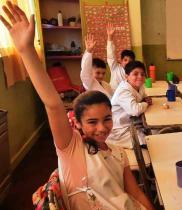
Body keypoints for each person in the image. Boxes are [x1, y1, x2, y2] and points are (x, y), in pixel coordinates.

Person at [0, 2, 154, 209]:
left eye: (107, 118)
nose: (102, 127)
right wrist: (26, 50)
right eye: (92, 121)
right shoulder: (70, 148)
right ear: (78, 124)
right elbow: (53, 104)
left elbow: (135, 193)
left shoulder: (118, 153)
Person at [107, 61, 152, 149]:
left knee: (153, 133)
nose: (140, 77)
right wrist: (146, 103)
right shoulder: (124, 90)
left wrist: (145, 99)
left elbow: (142, 96)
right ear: (126, 76)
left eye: (142, 74)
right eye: (135, 74)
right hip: (119, 129)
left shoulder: (139, 86)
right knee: (147, 142)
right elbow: (135, 110)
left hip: (132, 123)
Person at [81, 34, 113, 99]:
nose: (101, 76)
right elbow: (85, 69)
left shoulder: (106, 85)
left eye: (103, 73)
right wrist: (88, 52)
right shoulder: (89, 83)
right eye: (98, 73)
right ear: (90, 72)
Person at [107, 23, 136, 91]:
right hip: (113, 97)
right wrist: (110, 38)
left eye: (130, 61)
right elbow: (111, 55)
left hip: (125, 97)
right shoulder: (115, 68)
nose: (128, 63)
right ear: (121, 61)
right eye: (125, 60)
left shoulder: (133, 72)